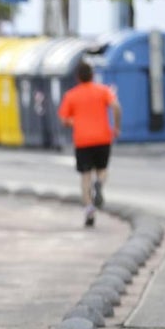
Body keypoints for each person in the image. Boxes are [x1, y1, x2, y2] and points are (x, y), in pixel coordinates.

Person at [58, 61, 122, 227]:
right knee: (102, 169)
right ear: (92, 75)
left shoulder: (71, 95)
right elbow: (116, 106)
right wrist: (116, 127)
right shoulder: (103, 91)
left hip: (82, 140)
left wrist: (75, 122)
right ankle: (99, 183)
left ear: (77, 77)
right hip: (103, 138)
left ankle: (89, 212)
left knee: (85, 176)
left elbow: (64, 120)